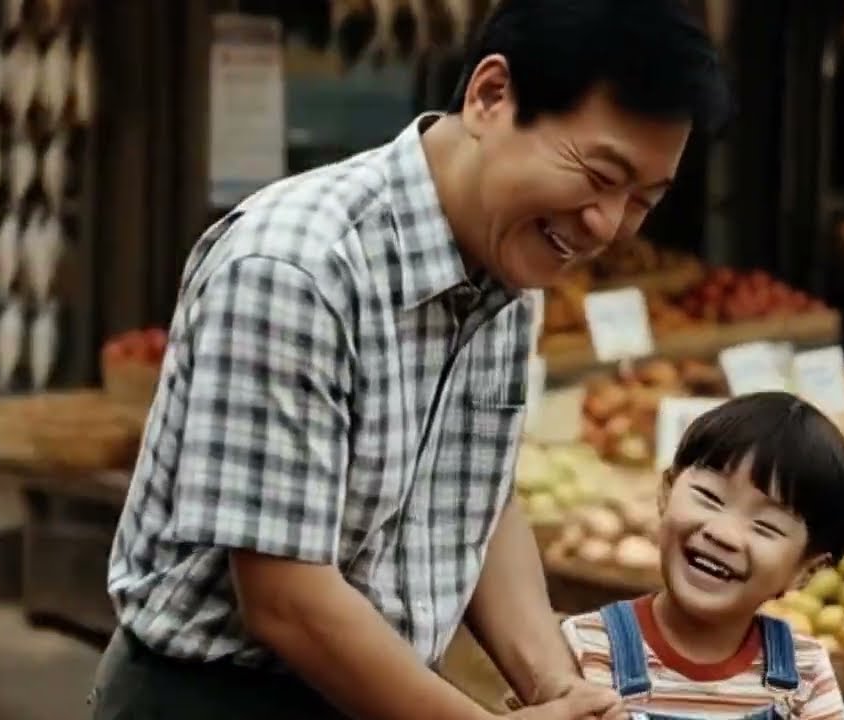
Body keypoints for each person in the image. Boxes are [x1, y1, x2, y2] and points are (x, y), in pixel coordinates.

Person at [89, 1, 731, 718]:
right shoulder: (297, 267)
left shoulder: (509, 269)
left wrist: (559, 687)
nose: (607, 226)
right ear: (491, 96)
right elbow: (287, 601)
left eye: (643, 199)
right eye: (599, 173)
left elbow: (476, 496)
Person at [562, 393, 844, 719]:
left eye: (765, 526)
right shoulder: (584, 648)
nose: (723, 534)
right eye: (709, 496)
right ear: (666, 491)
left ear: (806, 571)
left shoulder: (805, 675)